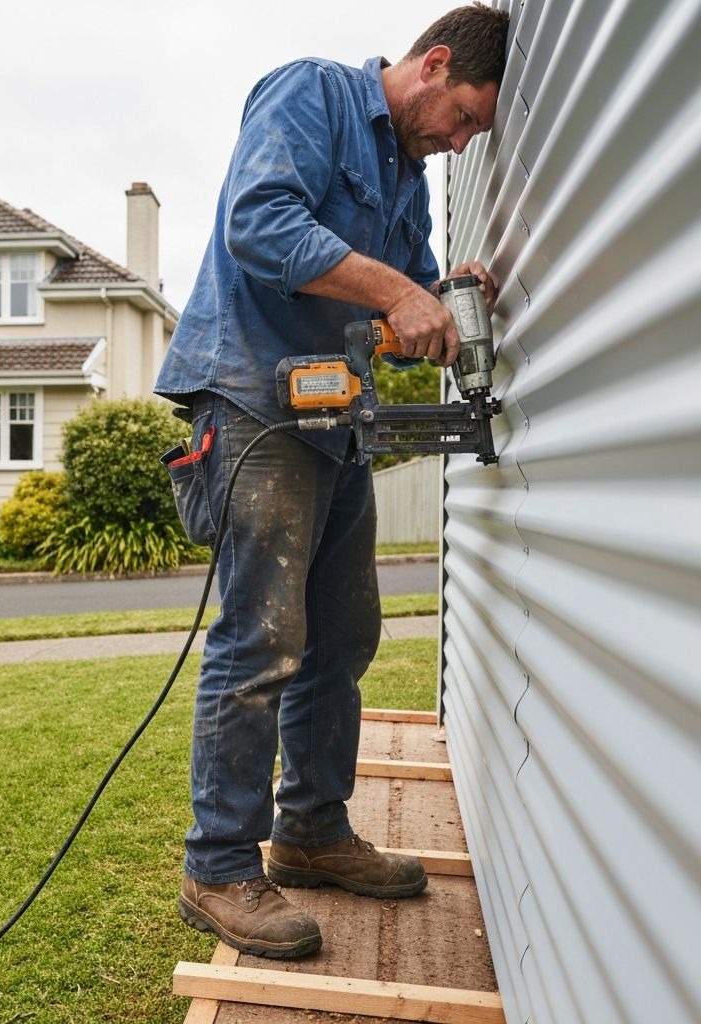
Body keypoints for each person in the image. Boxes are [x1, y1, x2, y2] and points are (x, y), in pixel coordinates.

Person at [154, 4, 510, 959]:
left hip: (331, 416)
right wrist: (397, 290)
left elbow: (409, 301)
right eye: (467, 117)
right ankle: (218, 866)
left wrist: (440, 293)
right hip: (252, 401)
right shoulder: (312, 91)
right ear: (433, 65)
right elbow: (258, 225)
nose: (461, 139)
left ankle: (310, 830)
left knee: (343, 634)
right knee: (261, 636)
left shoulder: (409, 177)